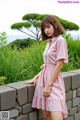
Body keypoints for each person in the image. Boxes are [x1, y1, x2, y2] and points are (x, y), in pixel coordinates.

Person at [25, 15, 68, 120]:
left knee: (56, 114)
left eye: (48, 27)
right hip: (42, 81)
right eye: (44, 28)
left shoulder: (60, 40)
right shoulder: (49, 42)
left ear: (55, 25)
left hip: (53, 82)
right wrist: (36, 77)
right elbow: (47, 66)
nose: (46, 30)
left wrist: (49, 85)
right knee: (46, 116)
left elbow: (59, 65)